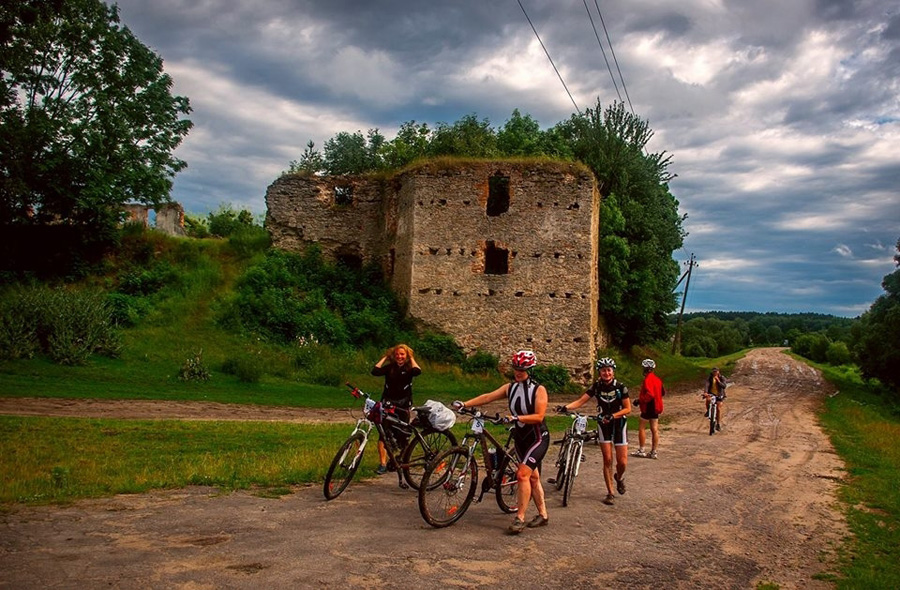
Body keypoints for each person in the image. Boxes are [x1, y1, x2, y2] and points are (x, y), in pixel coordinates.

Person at [453, 350, 550, 535]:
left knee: (522, 475)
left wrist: (515, 417)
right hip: (520, 438)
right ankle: (543, 515)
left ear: (531, 369)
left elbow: (539, 416)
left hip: (537, 438)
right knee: (533, 477)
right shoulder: (510, 388)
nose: (518, 372)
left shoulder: (539, 390)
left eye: (523, 369)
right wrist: (465, 404)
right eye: (516, 368)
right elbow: (488, 396)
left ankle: (520, 518)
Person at [557, 357, 631, 506]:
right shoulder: (596, 387)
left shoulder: (621, 387)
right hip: (603, 424)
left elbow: (627, 408)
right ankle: (610, 492)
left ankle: (619, 477)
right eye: (603, 370)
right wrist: (566, 407)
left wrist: (613, 416)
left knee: (622, 462)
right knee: (607, 459)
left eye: (609, 370)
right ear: (599, 372)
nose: (606, 373)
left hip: (619, 424)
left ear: (613, 372)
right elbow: (581, 401)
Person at [371, 344, 421, 474]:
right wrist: (386, 357)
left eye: (402, 354)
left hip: (403, 404)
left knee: (403, 434)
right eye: (397, 354)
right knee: (383, 433)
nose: (399, 356)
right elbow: (375, 371)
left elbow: (417, 371)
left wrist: (411, 358)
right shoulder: (390, 368)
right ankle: (382, 463)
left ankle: (400, 459)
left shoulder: (410, 368)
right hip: (388, 402)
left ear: (406, 356)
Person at [632, 359, 664, 459]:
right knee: (654, 429)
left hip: (649, 406)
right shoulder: (658, 379)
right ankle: (654, 451)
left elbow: (650, 394)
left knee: (642, 427)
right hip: (656, 407)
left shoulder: (648, 379)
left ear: (644, 369)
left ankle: (641, 450)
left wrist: (640, 400)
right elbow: (662, 392)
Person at [704, 367, 727, 432]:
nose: (715, 373)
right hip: (711, 394)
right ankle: (708, 410)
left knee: (718, 409)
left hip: (720, 395)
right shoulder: (709, 378)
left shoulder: (722, 377)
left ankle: (718, 424)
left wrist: (718, 381)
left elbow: (724, 386)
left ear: (718, 372)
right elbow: (706, 385)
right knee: (708, 400)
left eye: (716, 371)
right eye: (713, 371)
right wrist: (705, 392)